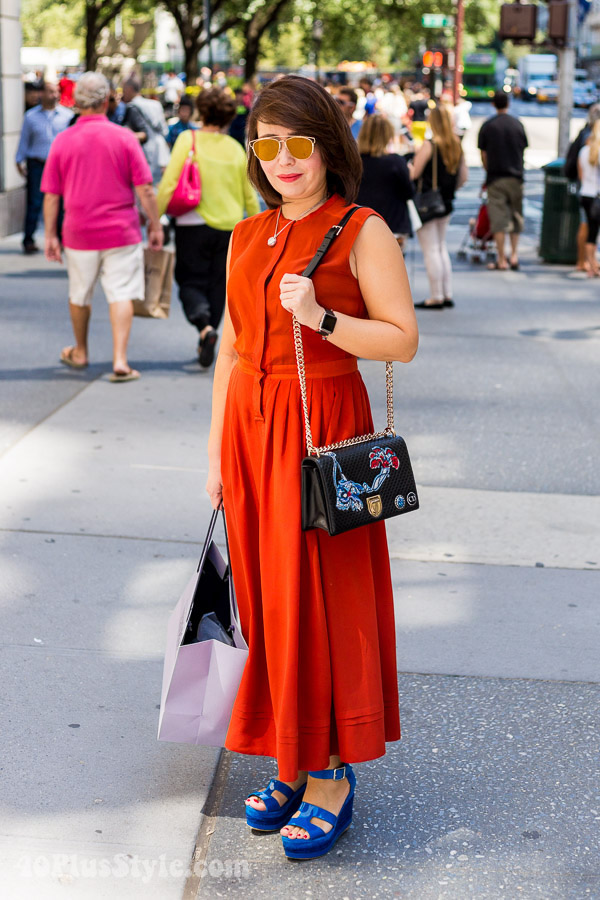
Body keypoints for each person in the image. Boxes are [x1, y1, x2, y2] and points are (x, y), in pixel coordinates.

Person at [205, 75, 418, 860]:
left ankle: (331, 774)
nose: (284, 158)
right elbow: (230, 347)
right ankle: (294, 757)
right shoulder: (244, 234)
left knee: (323, 600)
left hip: (323, 429)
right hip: (250, 431)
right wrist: (215, 456)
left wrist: (323, 318)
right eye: (267, 143)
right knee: (265, 601)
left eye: (300, 142)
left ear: (328, 145)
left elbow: (401, 339)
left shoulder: (362, 229)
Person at [41, 72, 163, 382]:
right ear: (107, 101)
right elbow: (145, 189)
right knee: (121, 293)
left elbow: (52, 196)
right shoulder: (123, 137)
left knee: (79, 293)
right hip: (121, 230)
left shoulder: (62, 140)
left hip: (78, 232)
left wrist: (51, 235)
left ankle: (80, 351)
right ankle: (120, 360)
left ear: (77, 102)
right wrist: (155, 224)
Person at [157, 87, 259, 368]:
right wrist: (258, 227)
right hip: (230, 227)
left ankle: (203, 326)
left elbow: (169, 183)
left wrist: (156, 217)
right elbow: (249, 193)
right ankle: (210, 329)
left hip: (192, 223)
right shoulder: (236, 149)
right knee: (218, 284)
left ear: (202, 111)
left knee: (189, 279)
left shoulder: (187, 139)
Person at [409, 103, 467, 309]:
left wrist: (408, 164)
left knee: (431, 250)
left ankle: (436, 295)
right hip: (446, 201)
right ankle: (446, 292)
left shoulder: (429, 145)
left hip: (428, 203)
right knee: (441, 247)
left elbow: (414, 173)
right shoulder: (456, 144)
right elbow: (463, 178)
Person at [15, 81, 72, 254]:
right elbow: (24, 140)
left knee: (62, 203)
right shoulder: (31, 116)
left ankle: (62, 239)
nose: (54, 95)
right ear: (42, 93)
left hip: (61, 166)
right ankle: (29, 239)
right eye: (50, 91)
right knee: (34, 203)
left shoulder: (67, 116)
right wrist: (19, 161)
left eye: (56, 91)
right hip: (38, 164)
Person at [477, 91, 528, 271]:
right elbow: (523, 150)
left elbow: (483, 154)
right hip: (516, 177)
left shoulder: (488, 126)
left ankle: (501, 259)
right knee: (516, 216)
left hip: (495, 177)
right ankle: (514, 255)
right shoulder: (517, 124)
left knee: (498, 220)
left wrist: (488, 170)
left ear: (493, 104)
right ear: (508, 103)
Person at [356, 114, 414, 246]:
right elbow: (409, 192)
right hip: (392, 224)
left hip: (359, 225)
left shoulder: (353, 162)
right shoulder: (395, 161)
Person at [565, 104, 600, 271]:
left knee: (587, 225)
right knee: (590, 228)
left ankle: (585, 262)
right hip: (594, 192)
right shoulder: (592, 142)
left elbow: (580, 172)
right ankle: (588, 262)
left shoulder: (584, 141)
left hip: (585, 189)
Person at [122, 76, 170, 184]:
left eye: (123, 89)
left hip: (144, 153)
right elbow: (164, 130)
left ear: (129, 89)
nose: (122, 93)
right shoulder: (156, 104)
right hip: (161, 151)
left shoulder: (132, 107)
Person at [577, 119, 600, 278]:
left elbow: (581, 175)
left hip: (585, 193)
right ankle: (593, 264)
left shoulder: (584, 151)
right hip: (596, 196)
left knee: (591, 230)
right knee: (594, 231)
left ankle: (591, 264)